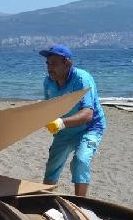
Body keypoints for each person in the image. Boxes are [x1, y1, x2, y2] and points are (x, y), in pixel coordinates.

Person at [39, 44, 106, 197]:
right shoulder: (48, 82)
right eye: (48, 64)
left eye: (54, 64)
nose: (50, 68)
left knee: (80, 161)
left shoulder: (82, 79)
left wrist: (60, 123)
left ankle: (80, 203)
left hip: (90, 128)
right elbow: (49, 108)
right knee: (52, 165)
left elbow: (88, 114)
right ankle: (45, 199)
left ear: (67, 63)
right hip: (65, 130)